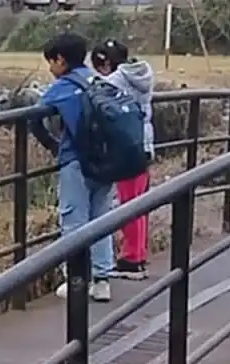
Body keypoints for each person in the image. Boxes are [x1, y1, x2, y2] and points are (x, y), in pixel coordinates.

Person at [29, 32, 115, 303]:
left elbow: (34, 119)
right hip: (107, 160)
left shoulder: (62, 88)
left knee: (74, 221)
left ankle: (77, 280)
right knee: (101, 219)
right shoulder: (98, 81)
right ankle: (102, 280)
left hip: (76, 161)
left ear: (61, 60)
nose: (50, 68)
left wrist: (54, 146)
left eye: (51, 62)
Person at [92, 39, 155, 280]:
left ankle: (131, 258)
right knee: (140, 203)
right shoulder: (141, 73)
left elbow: (95, 96)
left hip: (128, 147)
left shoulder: (115, 81)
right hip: (145, 142)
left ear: (106, 63)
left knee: (129, 205)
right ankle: (139, 253)